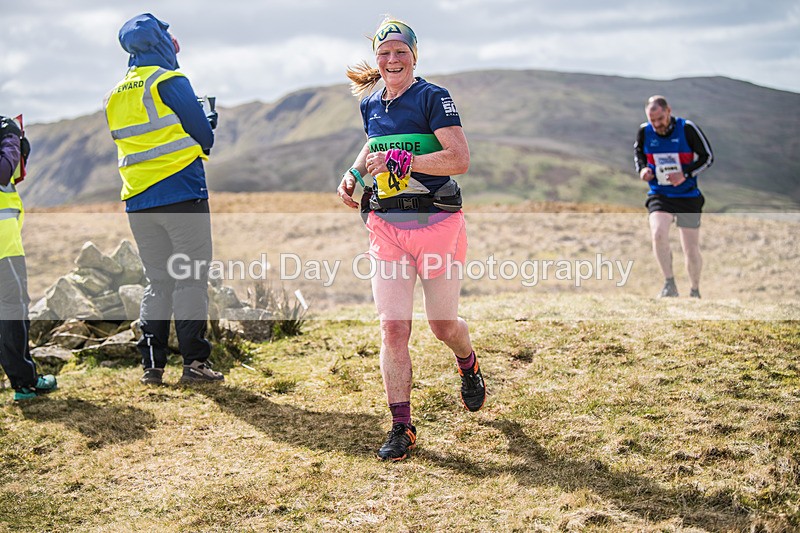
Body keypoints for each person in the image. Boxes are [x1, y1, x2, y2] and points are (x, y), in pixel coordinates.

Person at [337, 17, 486, 461]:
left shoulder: (433, 97)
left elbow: (459, 159)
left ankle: (469, 364)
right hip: (386, 226)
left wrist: (406, 161)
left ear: (414, 56)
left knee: (442, 326)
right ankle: (402, 427)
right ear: (377, 61)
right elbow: (374, 147)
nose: (392, 59)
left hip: (437, 224)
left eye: (400, 52)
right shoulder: (372, 104)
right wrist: (354, 173)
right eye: (385, 53)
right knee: (393, 328)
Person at [104, 13, 222, 385]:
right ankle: (195, 365)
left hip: (137, 201)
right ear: (160, 41)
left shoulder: (116, 93)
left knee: (157, 282)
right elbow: (203, 135)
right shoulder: (168, 80)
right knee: (189, 279)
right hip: (181, 194)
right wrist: (207, 124)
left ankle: (151, 368)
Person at [0, 116, 58, 401]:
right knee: (13, 311)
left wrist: (18, 149)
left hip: (7, 243)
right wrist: (10, 138)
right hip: (3, 246)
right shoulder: (5, 135)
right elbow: (2, 172)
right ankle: (24, 383)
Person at [634, 95, 714, 298]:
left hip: (687, 195)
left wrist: (685, 173)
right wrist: (643, 170)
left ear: (668, 110)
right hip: (660, 194)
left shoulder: (687, 128)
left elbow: (707, 157)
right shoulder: (645, 131)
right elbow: (639, 154)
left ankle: (694, 289)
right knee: (658, 233)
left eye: (660, 119)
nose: (657, 124)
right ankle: (669, 284)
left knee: (690, 248)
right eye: (653, 120)